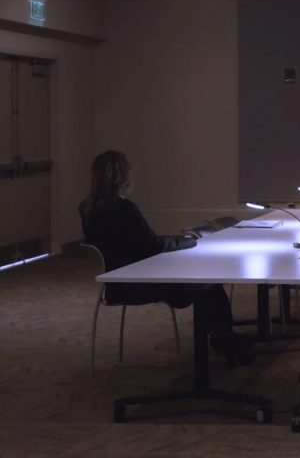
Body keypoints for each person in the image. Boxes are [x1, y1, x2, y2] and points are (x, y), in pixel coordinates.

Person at [80, 151, 250, 366]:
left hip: (115, 286)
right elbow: (152, 246)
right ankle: (224, 337)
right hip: (142, 283)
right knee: (207, 283)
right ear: (122, 175)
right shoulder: (126, 209)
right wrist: (186, 242)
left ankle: (222, 336)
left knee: (205, 283)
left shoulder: (87, 209)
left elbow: (138, 244)